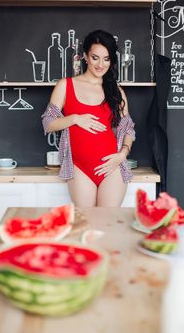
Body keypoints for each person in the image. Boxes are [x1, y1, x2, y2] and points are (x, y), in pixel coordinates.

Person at [42, 30, 135, 207]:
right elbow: (48, 123)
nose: (101, 64)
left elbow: (128, 128)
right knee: (88, 223)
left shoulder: (116, 91)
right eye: (95, 57)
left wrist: (122, 155)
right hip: (80, 168)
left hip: (112, 167)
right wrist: (75, 118)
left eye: (106, 59)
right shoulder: (66, 85)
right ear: (85, 56)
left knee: (107, 223)